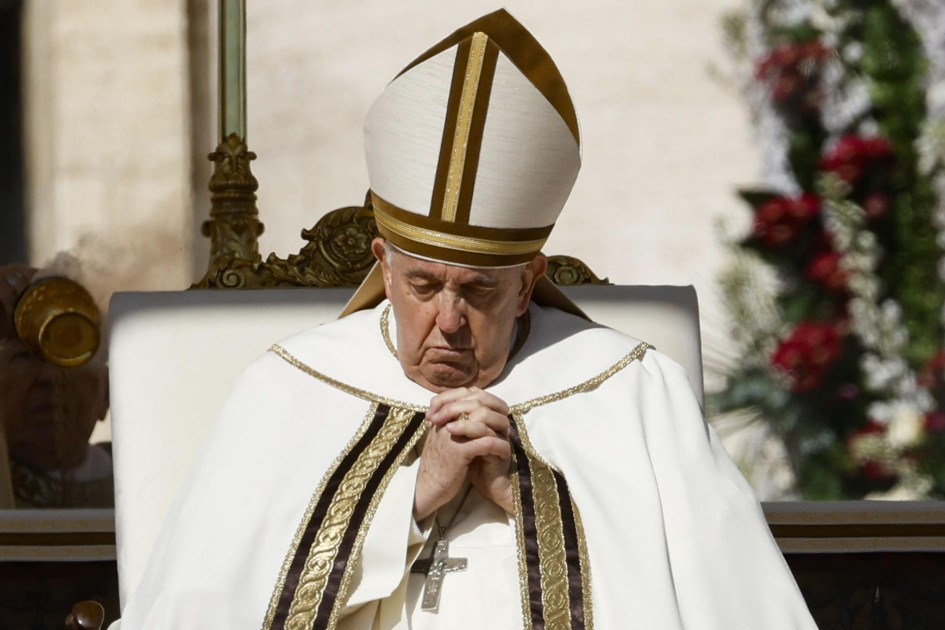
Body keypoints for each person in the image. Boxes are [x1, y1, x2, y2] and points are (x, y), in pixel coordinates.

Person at [119, 10, 816, 629]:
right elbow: (199, 605)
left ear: (526, 285)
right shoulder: (288, 388)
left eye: (477, 291)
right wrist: (410, 501)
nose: (447, 320)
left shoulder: (634, 393)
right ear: (382, 266)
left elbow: (716, 601)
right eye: (422, 284)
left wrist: (533, 500)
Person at [0, 264, 112, 508]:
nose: (50, 378)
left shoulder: (144, 487)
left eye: (70, 357)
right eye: (24, 357)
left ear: (106, 394)